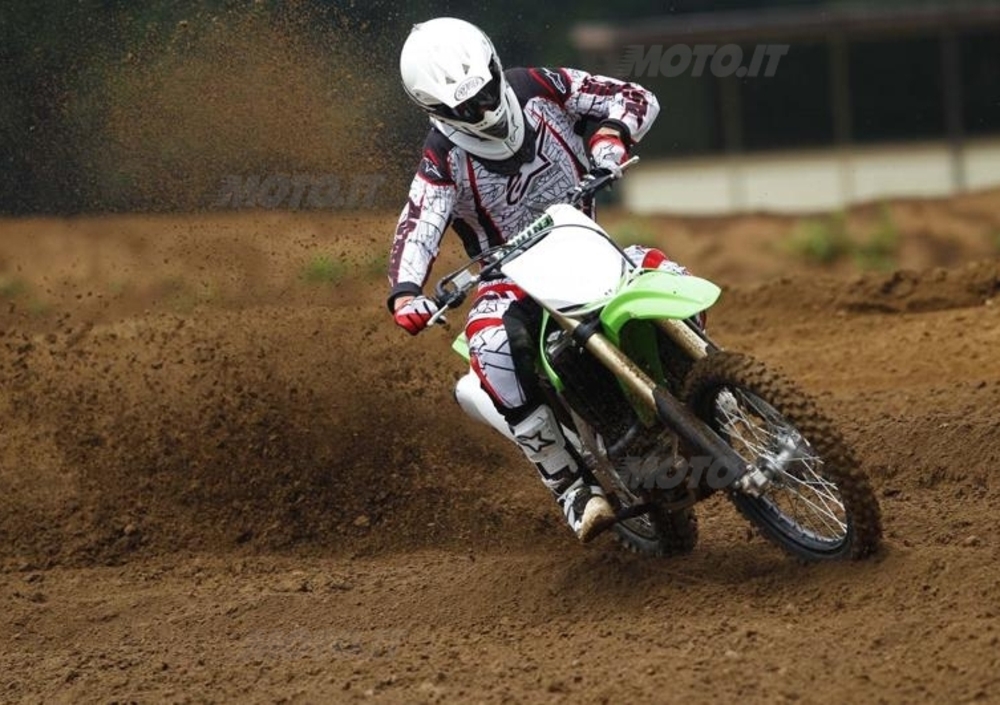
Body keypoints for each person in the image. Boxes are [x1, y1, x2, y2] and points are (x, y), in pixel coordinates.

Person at [387, 17, 682, 543]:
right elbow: (419, 225)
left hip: (587, 243)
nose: (483, 110)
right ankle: (570, 484)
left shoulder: (540, 86)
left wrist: (612, 132)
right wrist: (406, 293)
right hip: (510, 278)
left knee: (666, 272)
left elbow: (634, 96)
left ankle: (710, 387)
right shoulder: (442, 158)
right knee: (492, 345)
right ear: (435, 110)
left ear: (494, 68)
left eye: (484, 92)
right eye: (465, 108)